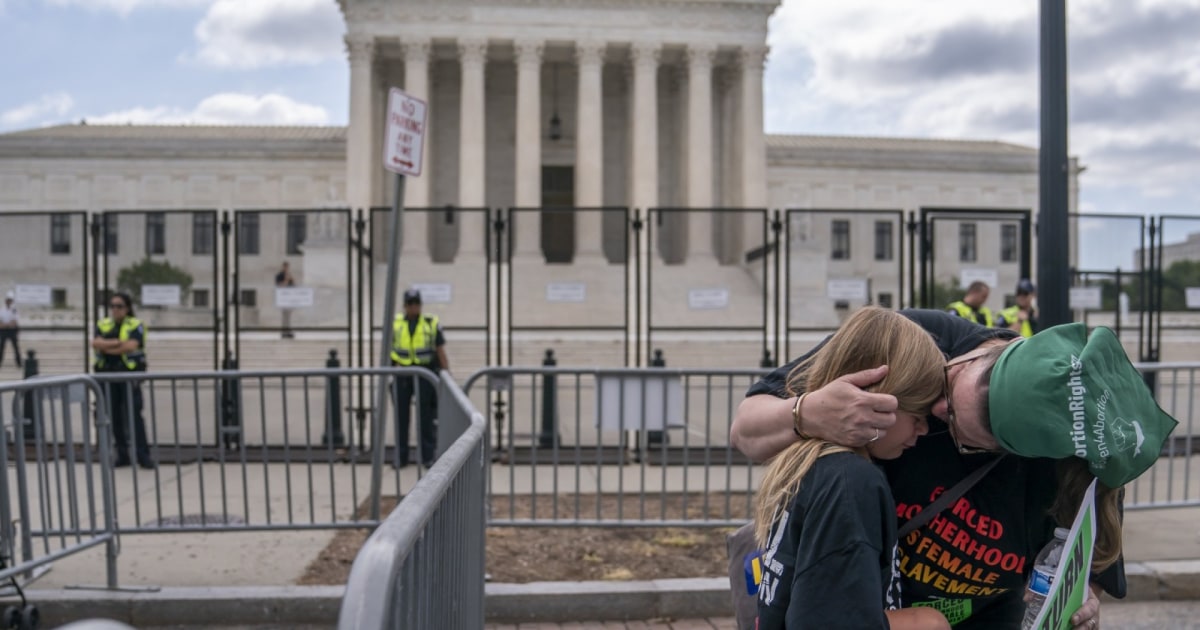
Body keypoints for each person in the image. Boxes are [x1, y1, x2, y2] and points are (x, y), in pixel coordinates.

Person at [732, 309, 1176, 629]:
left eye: (955, 428)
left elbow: (1090, 567)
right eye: (945, 389)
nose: (935, 413)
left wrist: (1081, 605)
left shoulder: (1070, 452)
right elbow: (745, 431)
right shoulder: (913, 343)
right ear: (979, 356)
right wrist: (806, 412)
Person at [753, 307, 951, 630]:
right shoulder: (850, 483)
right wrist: (926, 623)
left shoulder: (808, 461)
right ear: (876, 400)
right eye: (917, 416)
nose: (925, 430)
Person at [92, 292, 154, 469]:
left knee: (134, 417)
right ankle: (122, 455)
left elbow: (131, 346)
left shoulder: (136, 324)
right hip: (107, 376)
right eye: (112, 306)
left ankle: (143, 456)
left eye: (119, 306)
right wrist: (118, 344)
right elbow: (96, 343)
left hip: (129, 376)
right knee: (114, 418)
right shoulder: (103, 324)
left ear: (127, 308)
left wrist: (108, 346)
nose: (115, 310)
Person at [390, 288, 449, 469]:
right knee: (401, 418)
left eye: (416, 304)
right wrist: (390, 371)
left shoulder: (430, 323)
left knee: (426, 418)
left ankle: (427, 456)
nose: (413, 307)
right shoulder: (397, 324)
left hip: (425, 374)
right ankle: (401, 456)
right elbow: (391, 349)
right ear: (405, 306)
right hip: (403, 375)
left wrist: (447, 374)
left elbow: (440, 350)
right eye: (410, 304)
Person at [0, 291, 21, 369]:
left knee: (15, 347)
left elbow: (15, 322)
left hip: (12, 331)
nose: (9, 301)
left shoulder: (14, 310)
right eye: (8, 300)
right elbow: (0, 324)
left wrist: (6, 325)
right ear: (6, 301)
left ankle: (19, 363)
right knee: (1, 347)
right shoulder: (2, 310)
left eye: (10, 300)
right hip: (4, 331)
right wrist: (7, 325)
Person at [275, 261, 295, 339]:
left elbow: (293, 286)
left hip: (289, 299)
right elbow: (279, 286)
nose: (286, 268)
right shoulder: (279, 275)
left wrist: (292, 279)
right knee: (284, 316)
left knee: (288, 316)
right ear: (283, 267)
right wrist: (286, 279)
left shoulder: (289, 275)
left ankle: (288, 331)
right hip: (283, 299)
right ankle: (284, 332)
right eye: (285, 267)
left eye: (287, 267)